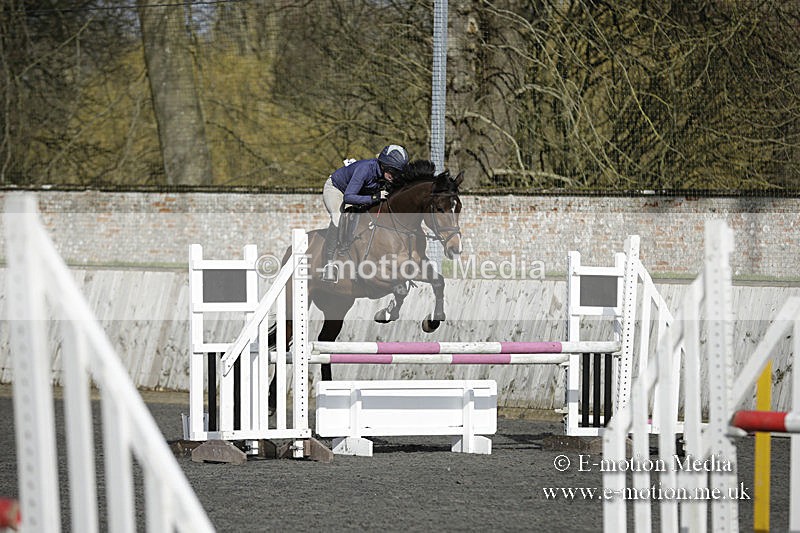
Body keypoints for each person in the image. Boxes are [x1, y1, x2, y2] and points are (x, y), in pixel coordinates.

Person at [321, 144, 409, 282]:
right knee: (338, 217)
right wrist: (373, 198)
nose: (394, 176)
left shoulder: (387, 176)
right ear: (383, 165)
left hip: (358, 192)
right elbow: (348, 197)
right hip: (337, 189)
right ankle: (329, 263)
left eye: (398, 172)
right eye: (392, 171)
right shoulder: (365, 169)